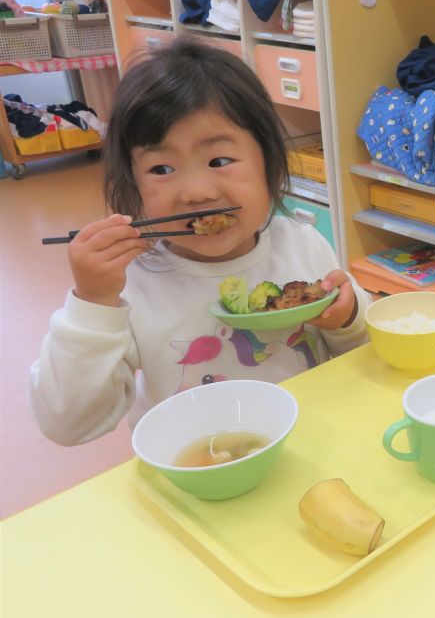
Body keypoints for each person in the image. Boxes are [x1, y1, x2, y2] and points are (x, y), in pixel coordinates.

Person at [30, 38, 371, 445]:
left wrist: (346, 320)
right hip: (195, 467)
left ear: (269, 163)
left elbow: (365, 347)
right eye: (161, 168)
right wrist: (92, 303)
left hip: (308, 444)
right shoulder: (131, 284)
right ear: (133, 186)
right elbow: (67, 424)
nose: (197, 192)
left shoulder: (301, 242)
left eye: (219, 161)